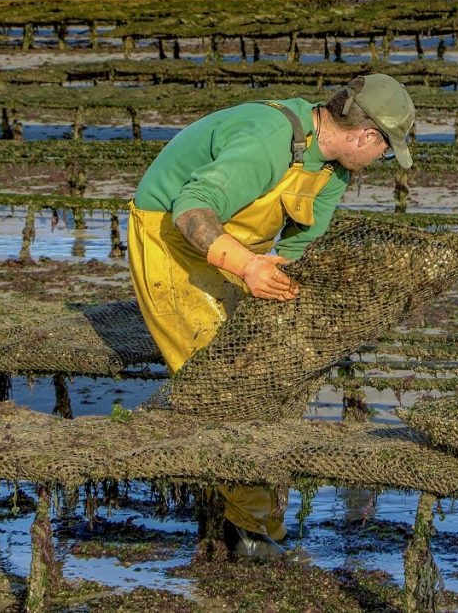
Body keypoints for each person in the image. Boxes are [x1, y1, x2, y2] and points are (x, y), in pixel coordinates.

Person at [127, 73, 415, 560]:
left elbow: (302, 248)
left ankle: (248, 519)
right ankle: (255, 535)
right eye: (386, 151)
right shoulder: (268, 137)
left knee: (268, 370)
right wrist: (248, 266)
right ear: (367, 136)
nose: (381, 161)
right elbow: (191, 209)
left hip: (243, 256)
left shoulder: (332, 171)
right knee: (225, 387)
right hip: (171, 242)